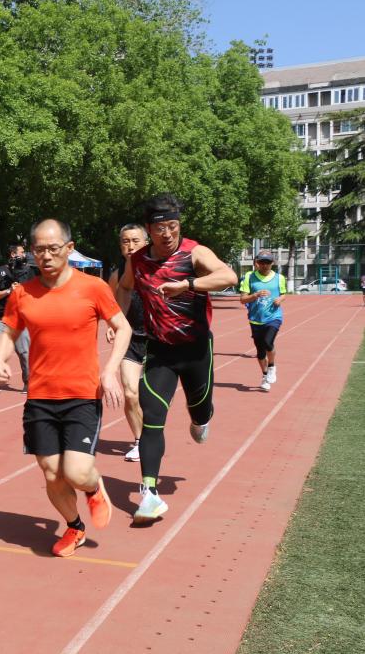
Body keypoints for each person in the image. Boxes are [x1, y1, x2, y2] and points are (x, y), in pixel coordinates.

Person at [0, 219, 131, 557]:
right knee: (52, 473)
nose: (46, 256)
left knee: (77, 472)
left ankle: (94, 489)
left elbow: (123, 328)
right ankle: (74, 526)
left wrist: (110, 371)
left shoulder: (93, 287)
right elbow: (9, 332)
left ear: (69, 248)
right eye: (39, 249)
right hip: (40, 397)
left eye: (53, 249)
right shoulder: (22, 293)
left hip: (82, 395)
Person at [117, 194, 238, 524]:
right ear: (149, 229)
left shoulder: (194, 252)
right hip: (161, 352)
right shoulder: (137, 261)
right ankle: (149, 493)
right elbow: (125, 287)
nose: (168, 233)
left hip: (196, 350)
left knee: (200, 413)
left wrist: (188, 284)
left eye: (173, 226)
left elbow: (229, 277)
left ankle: (201, 418)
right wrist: (119, 320)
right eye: (160, 228)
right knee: (152, 415)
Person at [106, 224, 149, 462]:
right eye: (125, 241)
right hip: (130, 339)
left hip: (157, 340)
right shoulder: (117, 274)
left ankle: (153, 435)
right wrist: (112, 326)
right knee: (131, 394)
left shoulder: (158, 268)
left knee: (151, 399)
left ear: (146, 243)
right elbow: (111, 305)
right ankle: (140, 441)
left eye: (135, 240)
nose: (130, 246)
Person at [0, 245, 32, 394]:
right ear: (12, 254)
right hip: (0, 318)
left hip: (20, 319)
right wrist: (8, 290)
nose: (24, 255)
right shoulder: (0, 271)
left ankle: (28, 382)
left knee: (25, 352)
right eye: (21, 252)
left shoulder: (29, 271)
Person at [238, 251, 286, 391]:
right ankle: (264, 376)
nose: (265, 265)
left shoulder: (279, 278)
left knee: (268, 342)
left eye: (268, 262)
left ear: (272, 263)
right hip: (256, 319)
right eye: (262, 262)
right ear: (257, 263)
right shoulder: (249, 277)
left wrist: (280, 299)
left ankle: (271, 366)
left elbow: (283, 294)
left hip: (273, 317)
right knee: (260, 352)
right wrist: (256, 295)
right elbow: (242, 299)